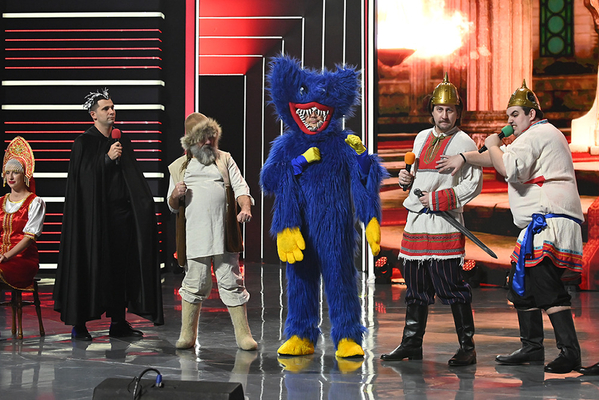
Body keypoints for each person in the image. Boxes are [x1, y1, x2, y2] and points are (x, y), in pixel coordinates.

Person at [436, 80, 584, 374]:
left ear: (531, 114)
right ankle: (532, 346)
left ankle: (570, 352)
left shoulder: (537, 134)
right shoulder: (534, 136)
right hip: (538, 224)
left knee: (546, 285)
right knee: (522, 286)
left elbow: (507, 167)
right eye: (508, 116)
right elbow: (498, 158)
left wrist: (493, 143)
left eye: (515, 115)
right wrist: (464, 158)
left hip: (549, 221)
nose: (510, 121)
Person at [380, 73, 482, 366]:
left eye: (450, 110)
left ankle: (467, 347)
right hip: (416, 223)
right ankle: (411, 343)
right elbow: (416, 177)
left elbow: (473, 184)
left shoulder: (464, 142)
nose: (444, 115)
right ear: (432, 111)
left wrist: (439, 199)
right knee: (415, 288)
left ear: (458, 112)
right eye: (439, 109)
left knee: (452, 287)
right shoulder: (421, 137)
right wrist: (406, 180)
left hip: (444, 223)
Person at [53, 88, 163, 341]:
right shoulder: (83, 143)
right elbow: (81, 181)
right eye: (106, 108)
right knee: (88, 265)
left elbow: (132, 177)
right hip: (92, 220)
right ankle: (79, 324)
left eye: (113, 107)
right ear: (93, 114)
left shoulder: (121, 140)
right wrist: (105, 159)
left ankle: (118, 322)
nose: (112, 111)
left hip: (120, 217)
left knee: (120, 269)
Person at [167, 112, 257, 351]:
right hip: (195, 236)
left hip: (223, 234)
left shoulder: (225, 159)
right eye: (202, 137)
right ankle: (187, 335)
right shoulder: (178, 167)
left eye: (211, 136)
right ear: (190, 140)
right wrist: (175, 194)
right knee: (194, 283)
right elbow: (172, 205)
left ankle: (244, 335)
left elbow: (241, 188)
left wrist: (245, 207)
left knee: (232, 282)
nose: (208, 141)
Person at [0, 137, 46, 290]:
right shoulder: (1, 201)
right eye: (8, 173)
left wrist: (6, 256)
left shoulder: (35, 202)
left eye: (15, 172)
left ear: (25, 175)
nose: (11, 177)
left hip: (23, 260)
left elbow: (28, 238)